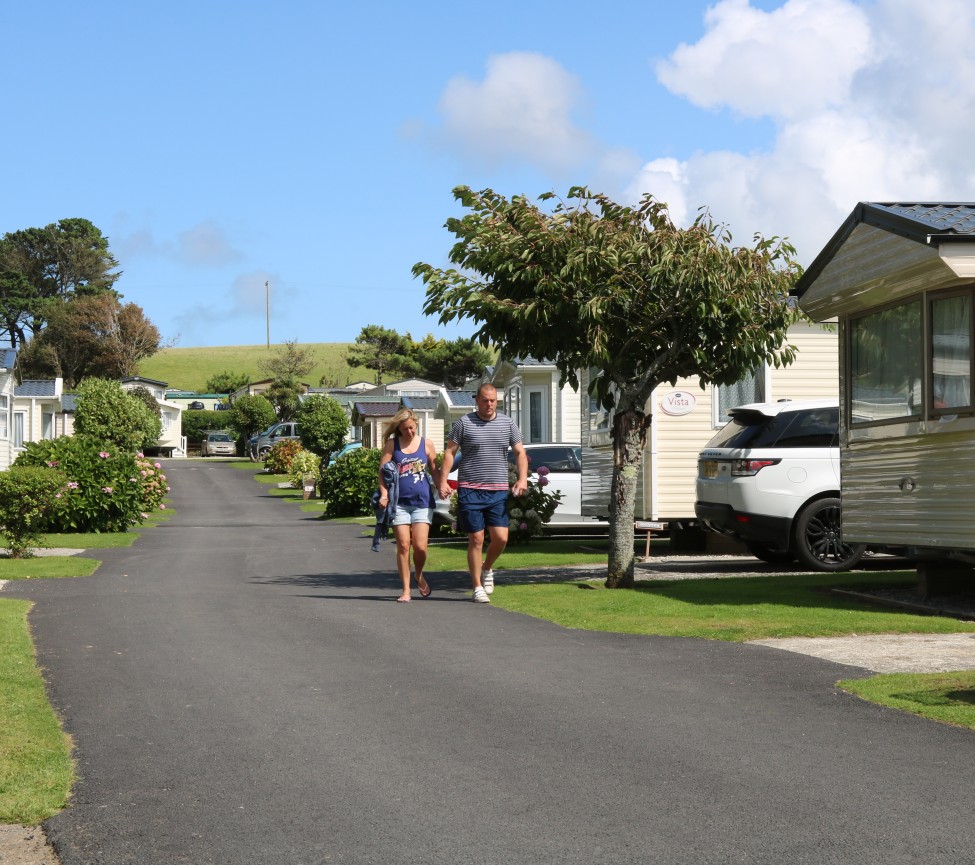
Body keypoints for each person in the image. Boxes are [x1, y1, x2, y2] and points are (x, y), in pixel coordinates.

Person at [439, 383, 528, 603]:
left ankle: (487, 568)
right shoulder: (463, 423)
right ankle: (477, 586)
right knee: (476, 538)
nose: (489, 404)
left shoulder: (507, 423)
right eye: (485, 400)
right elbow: (450, 453)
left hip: (497, 490)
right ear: (476, 400)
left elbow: (520, 452)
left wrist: (522, 478)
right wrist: (442, 480)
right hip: (470, 488)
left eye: (493, 400)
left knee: (501, 538)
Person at [378, 408, 439, 603]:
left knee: (420, 547)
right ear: (399, 429)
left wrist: (442, 485)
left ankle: (418, 574)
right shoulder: (392, 445)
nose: (409, 432)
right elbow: (382, 472)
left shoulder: (426, 444)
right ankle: (406, 590)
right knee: (404, 545)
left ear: (416, 425)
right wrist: (384, 494)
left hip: (422, 502)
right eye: (405, 429)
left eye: (411, 428)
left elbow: (435, 471)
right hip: (399, 504)